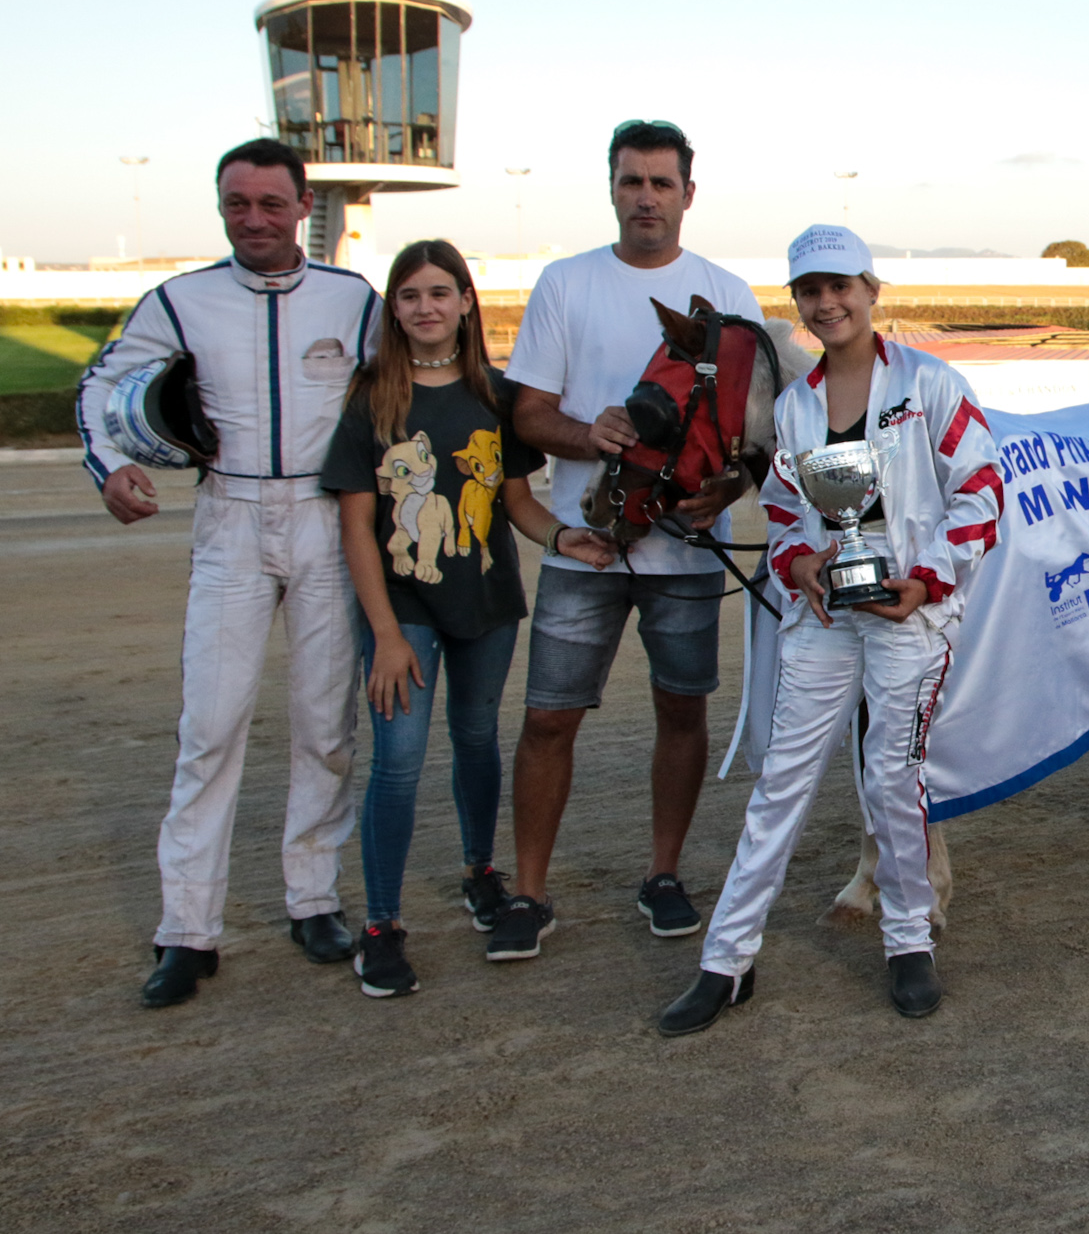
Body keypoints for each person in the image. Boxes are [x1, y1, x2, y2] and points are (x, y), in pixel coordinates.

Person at [658, 225, 1004, 1034]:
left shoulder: (932, 385)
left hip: (908, 607)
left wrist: (924, 581)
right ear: (799, 304)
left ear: (871, 289)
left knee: (893, 778)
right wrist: (804, 563)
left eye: (840, 286)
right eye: (811, 291)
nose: (827, 302)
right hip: (825, 609)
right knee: (784, 779)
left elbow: (982, 490)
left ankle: (909, 941)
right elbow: (782, 512)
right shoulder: (794, 405)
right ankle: (726, 960)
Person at [77, 138, 379, 1008]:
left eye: (270, 204)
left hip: (328, 521)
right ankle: (188, 929)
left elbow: (407, 390)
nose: (253, 219)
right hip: (231, 519)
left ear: (300, 206)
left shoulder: (352, 300)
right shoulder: (179, 300)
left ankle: (312, 898)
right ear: (222, 207)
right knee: (211, 726)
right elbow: (100, 389)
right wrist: (111, 471)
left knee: (325, 722)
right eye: (237, 204)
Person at [492, 120, 773, 961]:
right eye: (630, 181)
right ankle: (529, 892)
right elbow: (529, 413)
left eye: (660, 181)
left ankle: (663, 873)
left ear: (689, 192)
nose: (645, 196)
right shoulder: (565, 285)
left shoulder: (730, 296)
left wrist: (726, 489)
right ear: (611, 189)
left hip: (686, 551)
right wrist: (594, 435)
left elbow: (758, 438)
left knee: (680, 711)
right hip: (585, 541)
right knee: (548, 719)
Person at [322, 241, 616, 996]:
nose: (426, 307)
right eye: (411, 295)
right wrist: (385, 635)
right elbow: (358, 526)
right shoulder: (372, 398)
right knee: (399, 758)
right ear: (395, 308)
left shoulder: (497, 393)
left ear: (465, 303)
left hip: (485, 604)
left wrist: (562, 536)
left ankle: (480, 870)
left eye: (440, 293)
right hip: (406, 610)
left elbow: (514, 500)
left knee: (478, 737)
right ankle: (382, 924)